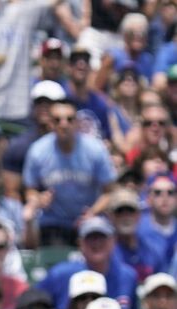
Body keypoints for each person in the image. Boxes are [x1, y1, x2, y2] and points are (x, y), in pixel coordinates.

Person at [22, 99, 117, 246]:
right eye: (57, 120)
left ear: (77, 123)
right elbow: (30, 189)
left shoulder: (95, 150)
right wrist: (38, 199)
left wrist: (93, 212)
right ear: (50, 124)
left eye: (69, 119)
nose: (64, 124)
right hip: (54, 222)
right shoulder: (37, 151)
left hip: (89, 219)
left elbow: (109, 192)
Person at [36, 216, 139, 309]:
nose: (96, 243)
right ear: (80, 242)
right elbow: (32, 303)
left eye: (102, 237)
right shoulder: (60, 274)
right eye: (90, 238)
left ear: (113, 241)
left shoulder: (127, 276)